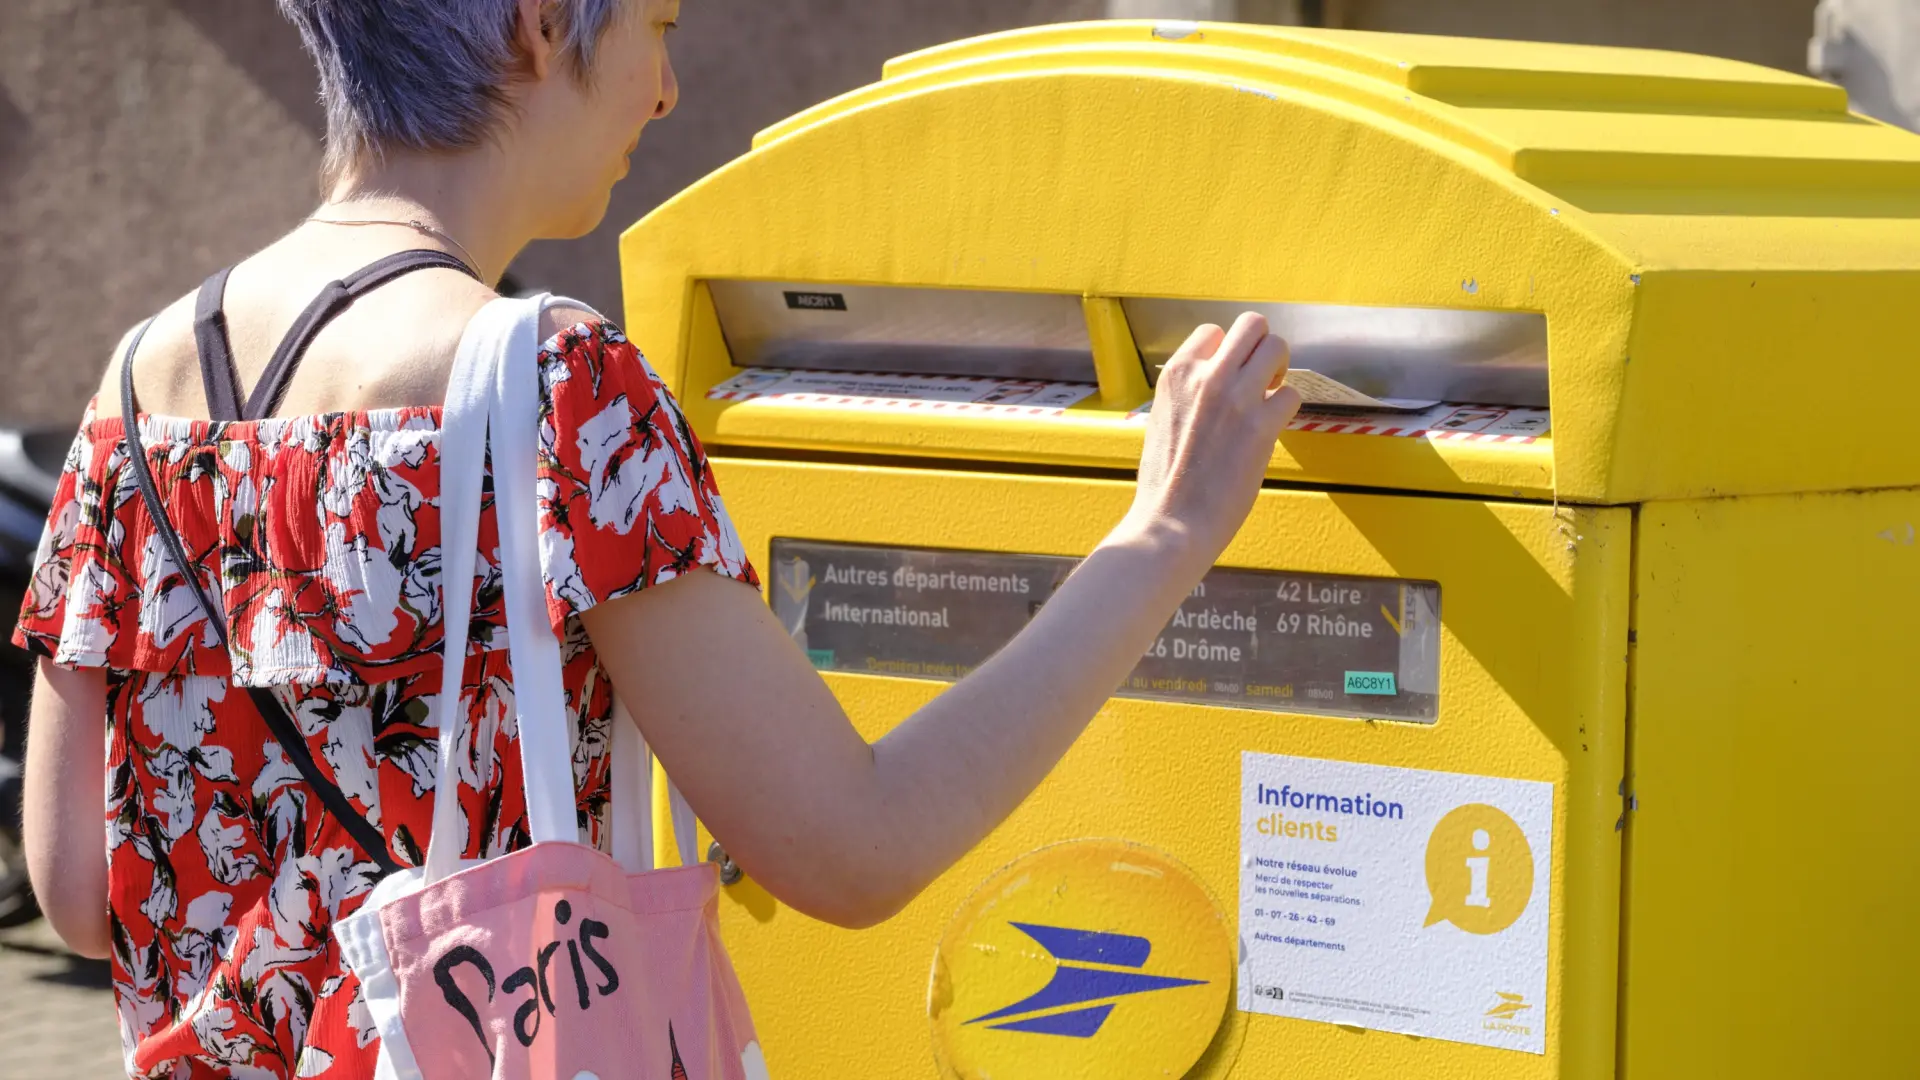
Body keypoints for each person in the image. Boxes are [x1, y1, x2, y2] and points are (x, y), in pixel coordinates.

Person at [17, 0, 1303, 1075]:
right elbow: (855, 851)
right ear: (535, 24)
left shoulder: (134, 393)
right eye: (655, 24)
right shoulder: (556, 385)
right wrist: (1165, 533)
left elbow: (80, 891)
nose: (669, 87)